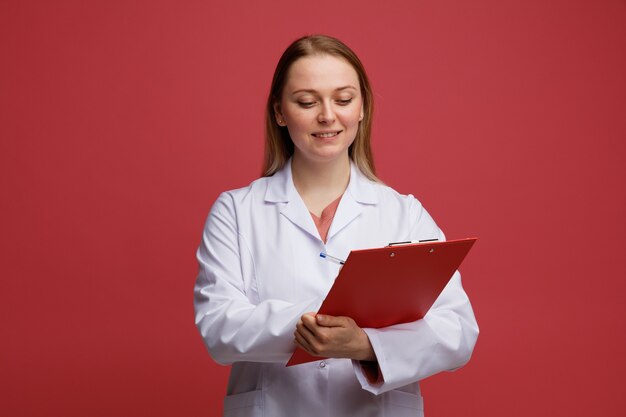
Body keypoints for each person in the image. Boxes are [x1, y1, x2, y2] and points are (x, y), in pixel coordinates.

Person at [194, 34, 479, 417]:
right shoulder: (236, 211)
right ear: (280, 112)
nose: (327, 115)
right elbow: (219, 328)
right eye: (307, 102)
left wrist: (364, 344)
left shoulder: (404, 213)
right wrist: (315, 324)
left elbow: (457, 331)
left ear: (362, 108)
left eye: (343, 99)